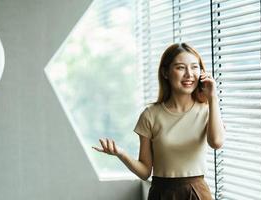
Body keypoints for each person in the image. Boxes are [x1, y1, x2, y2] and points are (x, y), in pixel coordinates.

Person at [92, 43, 226, 200]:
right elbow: (145, 171)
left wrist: (213, 97)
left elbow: (216, 142)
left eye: (194, 67)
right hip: (161, 193)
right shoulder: (150, 115)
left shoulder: (208, 110)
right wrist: (121, 154)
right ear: (165, 72)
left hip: (197, 193)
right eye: (180, 67)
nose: (189, 74)